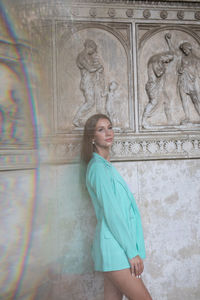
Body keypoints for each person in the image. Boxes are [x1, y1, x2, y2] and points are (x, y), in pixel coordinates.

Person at [81, 113, 152, 300]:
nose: (108, 132)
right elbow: (112, 214)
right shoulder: (97, 168)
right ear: (91, 137)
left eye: (110, 127)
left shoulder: (105, 167)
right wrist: (132, 252)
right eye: (100, 129)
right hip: (115, 249)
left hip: (114, 247)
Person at [165, 33, 200, 124]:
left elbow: (198, 72)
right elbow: (174, 53)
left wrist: (189, 70)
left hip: (193, 81)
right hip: (183, 80)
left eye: (185, 49)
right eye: (183, 50)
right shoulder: (182, 58)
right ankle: (187, 117)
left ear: (189, 48)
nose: (184, 51)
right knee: (184, 99)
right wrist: (169, 41)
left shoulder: (196, 60)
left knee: (196, 99)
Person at [73, 39, 105, 127]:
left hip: (91, 81)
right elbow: (90, 69)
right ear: (89, 47)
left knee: (93, 101)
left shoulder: (88, 56)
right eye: (93, 50)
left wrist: (99, 68)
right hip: (86, 81)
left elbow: (93, 67)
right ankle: (76, 119)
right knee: (90, 102)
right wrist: (98, 67)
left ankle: (78, 119)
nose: (93, 52)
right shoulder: (81, 56)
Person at [142, 51, 174, 128]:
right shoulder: (155, 60)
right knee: (153, 102)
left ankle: (170, 122)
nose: (167, 62)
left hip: (159, 87)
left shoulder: (159, 60)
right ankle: (143, 120)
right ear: (165, 55)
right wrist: (165, 68)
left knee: (166, 101)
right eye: (168, 60)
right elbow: (158, 73)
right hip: (153, 85)